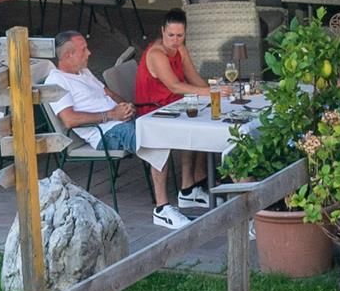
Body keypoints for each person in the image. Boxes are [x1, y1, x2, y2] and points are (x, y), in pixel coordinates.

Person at [131, 13, 228, 226]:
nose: (175, 40)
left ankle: (189, 188)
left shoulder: (180, 49)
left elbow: (194, 79)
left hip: (176, 106)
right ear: (162, 32)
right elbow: (175, 85)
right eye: (171, 35)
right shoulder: (157, 54)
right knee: (199, 121)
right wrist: (211, 92)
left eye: (180, 35)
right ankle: (163, 207)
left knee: (207, 122)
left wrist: (214, 92)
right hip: (154, 111)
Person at [36, 31, 150, 205]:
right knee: (151, 142)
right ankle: (165, 203)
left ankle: (189, 186)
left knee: (157, 126)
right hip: (104, 133)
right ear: (68, 55)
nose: (89, 53)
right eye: (84, 50)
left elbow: (108, 93)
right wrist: (112, 115)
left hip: (119, 121)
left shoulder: (84, 72)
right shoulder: (56, 81)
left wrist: (125, 106)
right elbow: (69, 120)